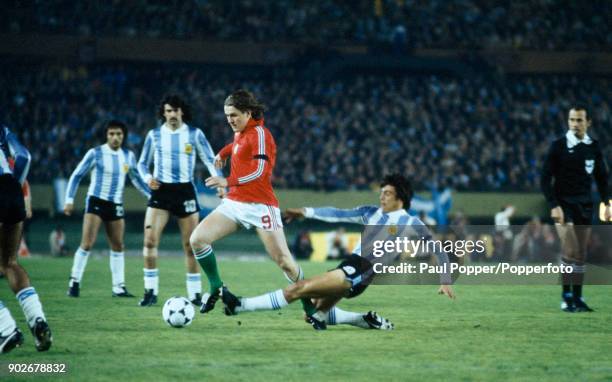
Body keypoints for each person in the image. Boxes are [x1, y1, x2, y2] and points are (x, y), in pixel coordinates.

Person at [221, 174, 456, 330]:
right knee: (311, 312)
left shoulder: (411, 222)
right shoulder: (371, 212)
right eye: (381, 192)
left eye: (387, 193)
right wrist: (307, 211)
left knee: (298, 289)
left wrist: (445, 280)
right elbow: (338, 214)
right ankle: (364, 320)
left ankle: (239, 305)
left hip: (360, 270)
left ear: (401, 199)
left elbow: (438, 248)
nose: (381, 196)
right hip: (351, 266)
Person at [190, 89, 310, 314]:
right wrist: (223, 153)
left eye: (234, 115)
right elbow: (237, 145)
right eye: (227, 116)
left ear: (247, 113)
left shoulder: (261, 134)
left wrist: (227, 181)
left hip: (260, 206)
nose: (230, 120)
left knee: (285, 261)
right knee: (198, 240)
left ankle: (308, 305)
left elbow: (260, 171)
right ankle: (216, 286)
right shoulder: (241, 132)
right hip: (235, 204)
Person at [137, 95, 221, 306]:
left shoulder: (194, 134)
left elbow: (210, 159)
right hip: (161, 191)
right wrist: (148, 179)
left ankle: (194, 294)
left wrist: (220, 183)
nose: (172, 115)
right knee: (149, 241)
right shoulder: (154, 135)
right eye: (168, 111)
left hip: (185, 191)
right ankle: (150, 292)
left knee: (190, 244)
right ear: (163, 113)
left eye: (176, 110)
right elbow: (141, 164)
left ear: (182, 112)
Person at [64, 120, 150, 298]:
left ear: (123, 136)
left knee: (118, 245)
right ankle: (74, 282)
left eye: (119, 134)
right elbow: (76, 175)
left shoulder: (128, 156)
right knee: (87, 243)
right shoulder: (95, 153)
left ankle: (118, 287)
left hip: (115, 204)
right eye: (112, 134)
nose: (115, 137)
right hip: (96, 200)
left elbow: (136, 180)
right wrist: (69, 199)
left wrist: (151, 196)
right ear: (106, 135)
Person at [541, 106, 610, 312]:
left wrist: (607, 203)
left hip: (585, 204)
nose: (574, 124)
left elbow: (602, 178)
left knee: (580, 253)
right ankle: (566, 297)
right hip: (563, 205)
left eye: (579, 120)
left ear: (588, 122)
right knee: (570, 249)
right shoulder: (559, 146)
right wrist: (554, 205)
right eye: (571, 120)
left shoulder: (593, 147)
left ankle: (578, 298)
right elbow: (545, 178)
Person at [0, 125, 52, 353]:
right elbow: (24, 156)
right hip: (11, 188)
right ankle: (37, 319)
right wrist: (14, 188)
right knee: (9, 262)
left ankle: (7, 329)